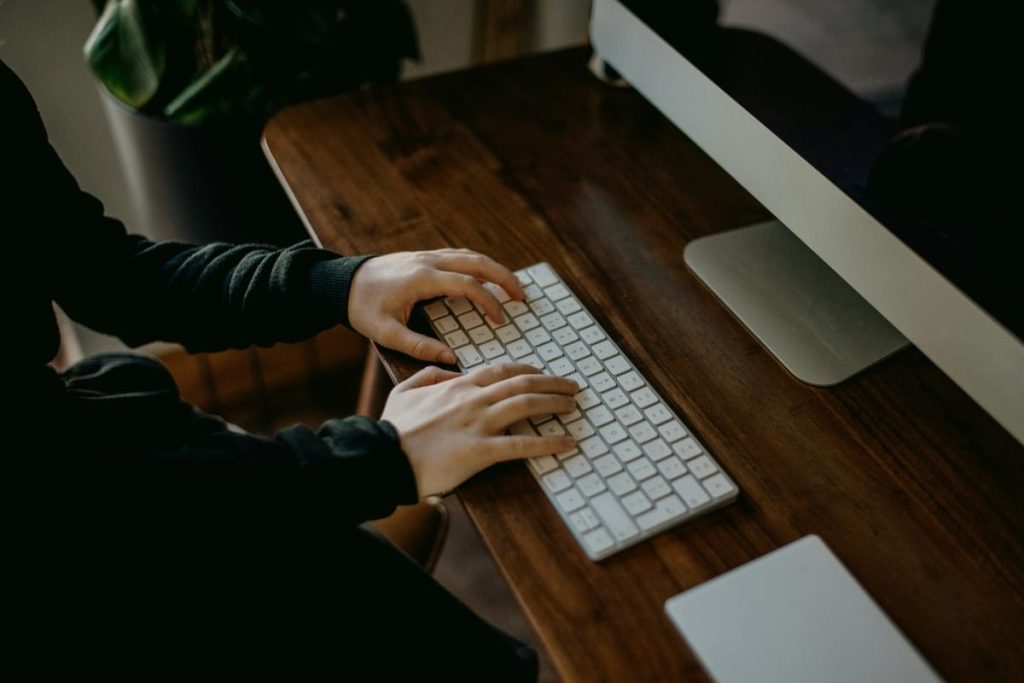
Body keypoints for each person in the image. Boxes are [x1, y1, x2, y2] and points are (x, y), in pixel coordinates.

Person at [4, 58, 577, 679]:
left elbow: (107, 274)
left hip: (105, 461)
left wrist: (336, 284)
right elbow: (76, 517)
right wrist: (379, 456)